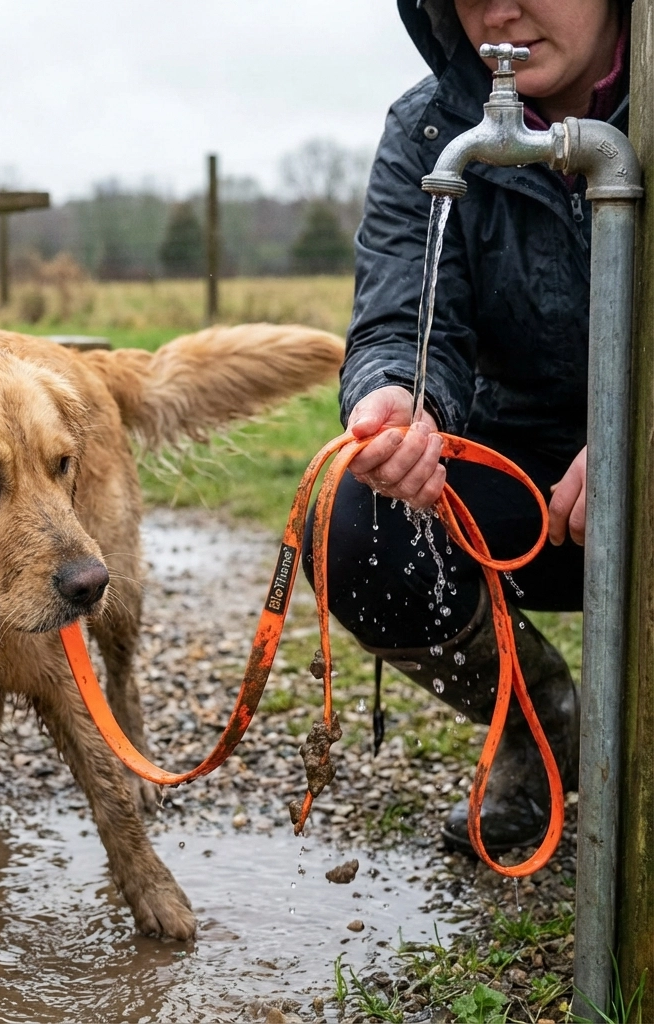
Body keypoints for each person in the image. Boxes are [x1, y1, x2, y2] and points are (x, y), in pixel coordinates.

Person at [303, 0, 631, 854]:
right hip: (520, 490)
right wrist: (396, 399)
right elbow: (401, 318)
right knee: (354, 524)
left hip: (641, 462)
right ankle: (540, 726)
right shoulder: (429, 129)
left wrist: (641, 429)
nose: (501, 10)